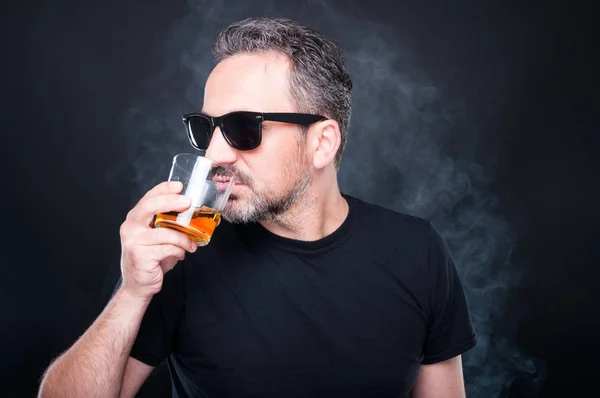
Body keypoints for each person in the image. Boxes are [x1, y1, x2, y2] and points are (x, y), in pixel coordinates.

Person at [38, 16, 476, 398]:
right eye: (205, 128)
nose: (216, 154)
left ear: (321, 142)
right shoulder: (185, 253)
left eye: (243, 128)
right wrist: (133, 292)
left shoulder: (417, 251)